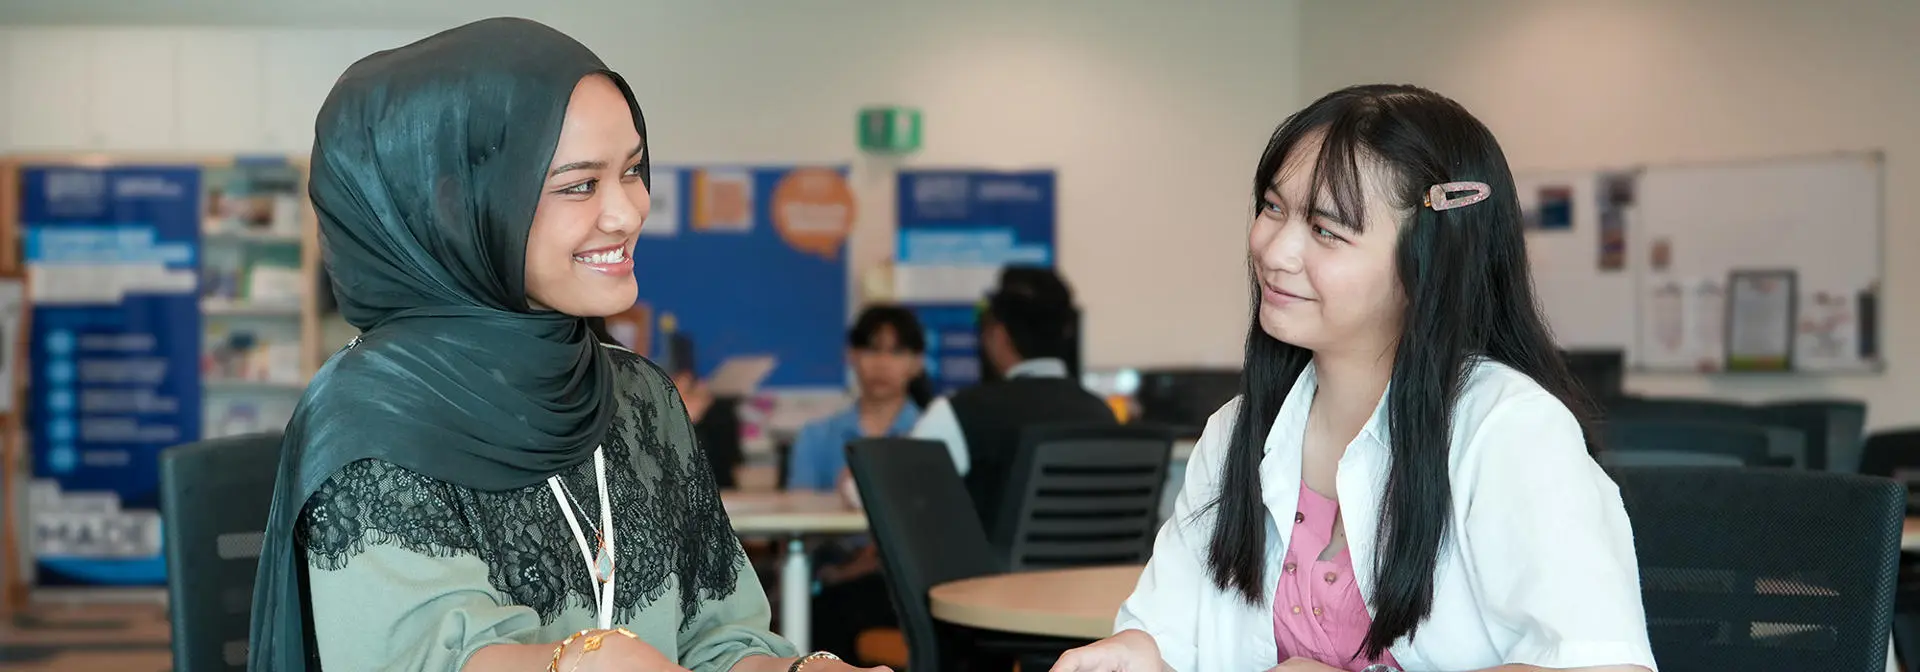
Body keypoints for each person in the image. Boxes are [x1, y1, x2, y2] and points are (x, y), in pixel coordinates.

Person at [247, 18, 880, 672]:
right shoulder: (374, 414)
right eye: (580, 184)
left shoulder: (638, 398)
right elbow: (434, 657)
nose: (628, 212)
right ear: (457, 209)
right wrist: (586, 661)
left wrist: (801, 669)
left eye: (633, 170)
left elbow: (719, 642)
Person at [1051, 85, 1655, 672]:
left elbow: (1599, 664)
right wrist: (1137, 654)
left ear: (1427, 262)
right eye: (1272, 208)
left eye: (1326, 230)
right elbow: (1169, 632)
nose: (1275, 250)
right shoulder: (1237, 431)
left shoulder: (1508, 430)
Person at [780, 304, 931, 665]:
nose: (881, 363)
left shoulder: (931, 436)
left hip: (906, 581)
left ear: (916, 363)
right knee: (823, 609)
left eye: (896, 351)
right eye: (871, 349)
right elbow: (793, 524)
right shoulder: (817, 437)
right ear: (852, 356)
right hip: (834, 573)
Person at [909, 266, 1116, 525]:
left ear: (998, 335)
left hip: (995, 566)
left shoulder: (960, 414)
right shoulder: (1104, 415)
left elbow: (899, 496)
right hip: (1103, 567)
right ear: (1066, 331)